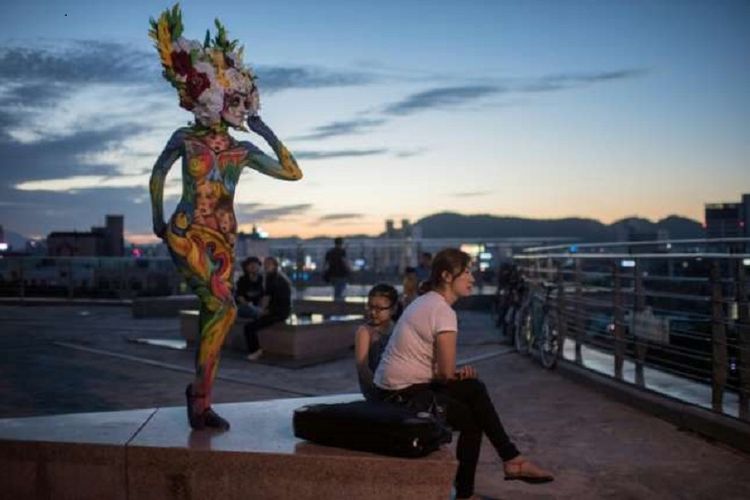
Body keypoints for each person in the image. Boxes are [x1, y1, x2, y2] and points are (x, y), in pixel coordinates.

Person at [148, 6, 303, 431]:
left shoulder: (242, 151)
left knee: (214, 310)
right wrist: (159, 221)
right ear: (211, 99)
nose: (241, 106)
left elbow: (293, 172)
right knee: (223, 305)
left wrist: (263, 127)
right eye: (234, 99)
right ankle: (199, 398)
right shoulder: (186, 138)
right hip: (186, 231)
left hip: (223, 240)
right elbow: (159, 173)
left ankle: (202, 400)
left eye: (245, 100)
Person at [373, 248, 553, 499]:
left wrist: (454, 375)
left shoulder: (426, 301)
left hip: (396, 387)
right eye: (467, 272)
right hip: (399, 395)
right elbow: (444, 373)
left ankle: (510, 460)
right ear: (447, 276)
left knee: (474, 388)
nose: (473, 278)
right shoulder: (442, 311)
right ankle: (476, 486)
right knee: (472, 421)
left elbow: (438, 370)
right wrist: (452, 374)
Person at [354, 284, 399, 401]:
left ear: (393, 309)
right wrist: (378, 390)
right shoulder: (365, 332)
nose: (373, 312)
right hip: (376, 390)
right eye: (370, 307)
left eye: (379, 309)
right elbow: (362, 367)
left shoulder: (397, 328)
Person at [244, 256, 292, 361]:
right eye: (265, 264)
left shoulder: (273, 278)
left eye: (268, 264)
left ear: (275, 266)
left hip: (278, 313)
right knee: (251, 322)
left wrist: (262, 311)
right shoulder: (277, 277)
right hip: (280, 311)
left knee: (249, 328)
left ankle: (256, 351)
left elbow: (267, 298)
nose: (265, 266)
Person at [324, 237, 350, 302]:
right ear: (341, 243)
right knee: (341, 289)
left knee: (336, 289)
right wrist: (349, 269)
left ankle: (336, 302)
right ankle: (339, 304)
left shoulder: (330, 252)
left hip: (332, 273)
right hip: (341, 274)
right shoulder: (342, 252)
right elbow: (344, 262)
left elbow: (326, 264)